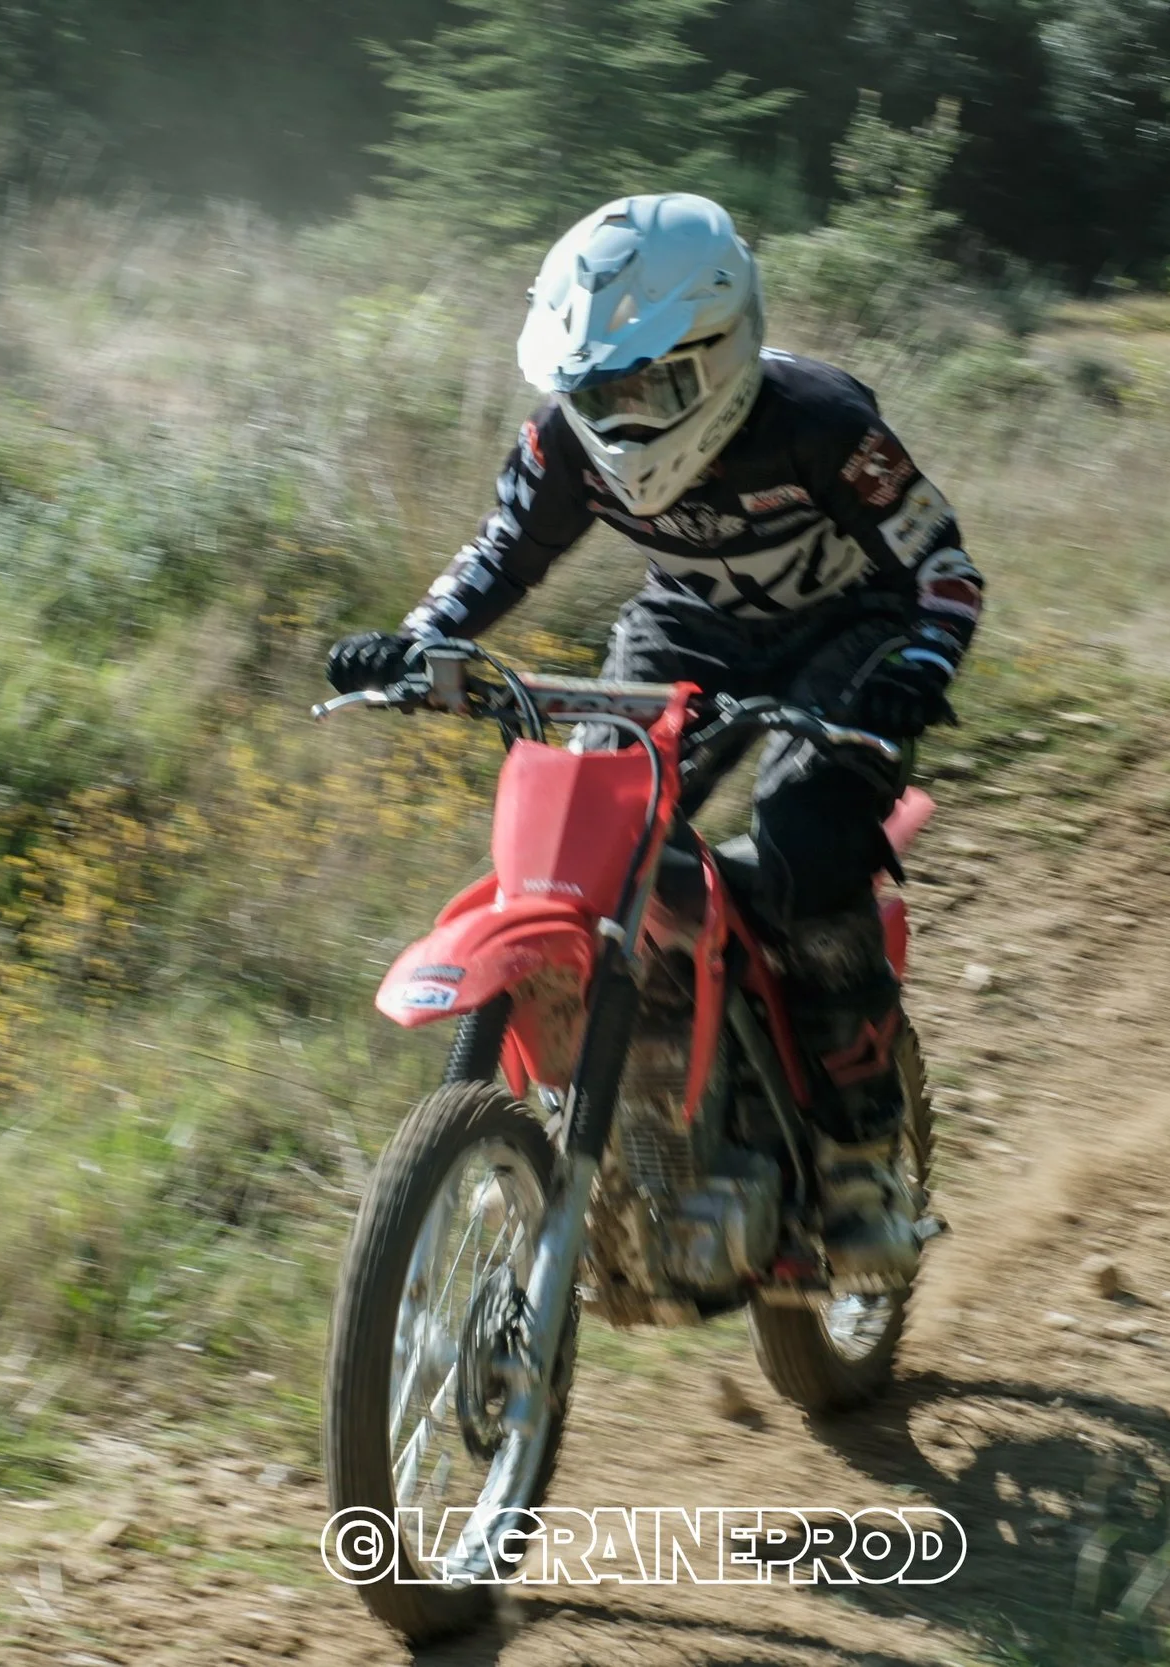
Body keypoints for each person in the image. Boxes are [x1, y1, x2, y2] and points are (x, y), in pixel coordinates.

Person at [325, 193, 983, 1286]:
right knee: (595, 829)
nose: (621, 417)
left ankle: (862, 1157)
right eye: (596, 390)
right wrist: (418, 641)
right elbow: (501, 554)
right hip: (690, 631)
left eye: (651, 386)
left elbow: (942, 569)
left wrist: (917, 671)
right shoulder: (564, 443)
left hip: (846, 631)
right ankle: (653, 1088)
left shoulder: (823, 423)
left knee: (809, 836)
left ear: (725, 351)